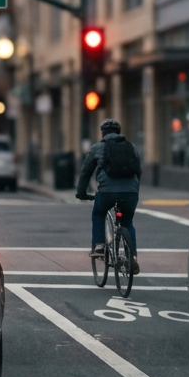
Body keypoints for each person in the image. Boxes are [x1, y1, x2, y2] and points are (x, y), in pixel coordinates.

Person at [75, 118, 141, 275]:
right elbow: (137, 170)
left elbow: (86, 172)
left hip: (107, 191)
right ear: (119, 132)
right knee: (127, 222)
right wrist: (134, 189)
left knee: (99, 213)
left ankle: (99, 245)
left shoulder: (98, 147)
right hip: (131, 191)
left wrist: (81, 193)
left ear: (102, 133)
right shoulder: (130, 146)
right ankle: (132, 257)